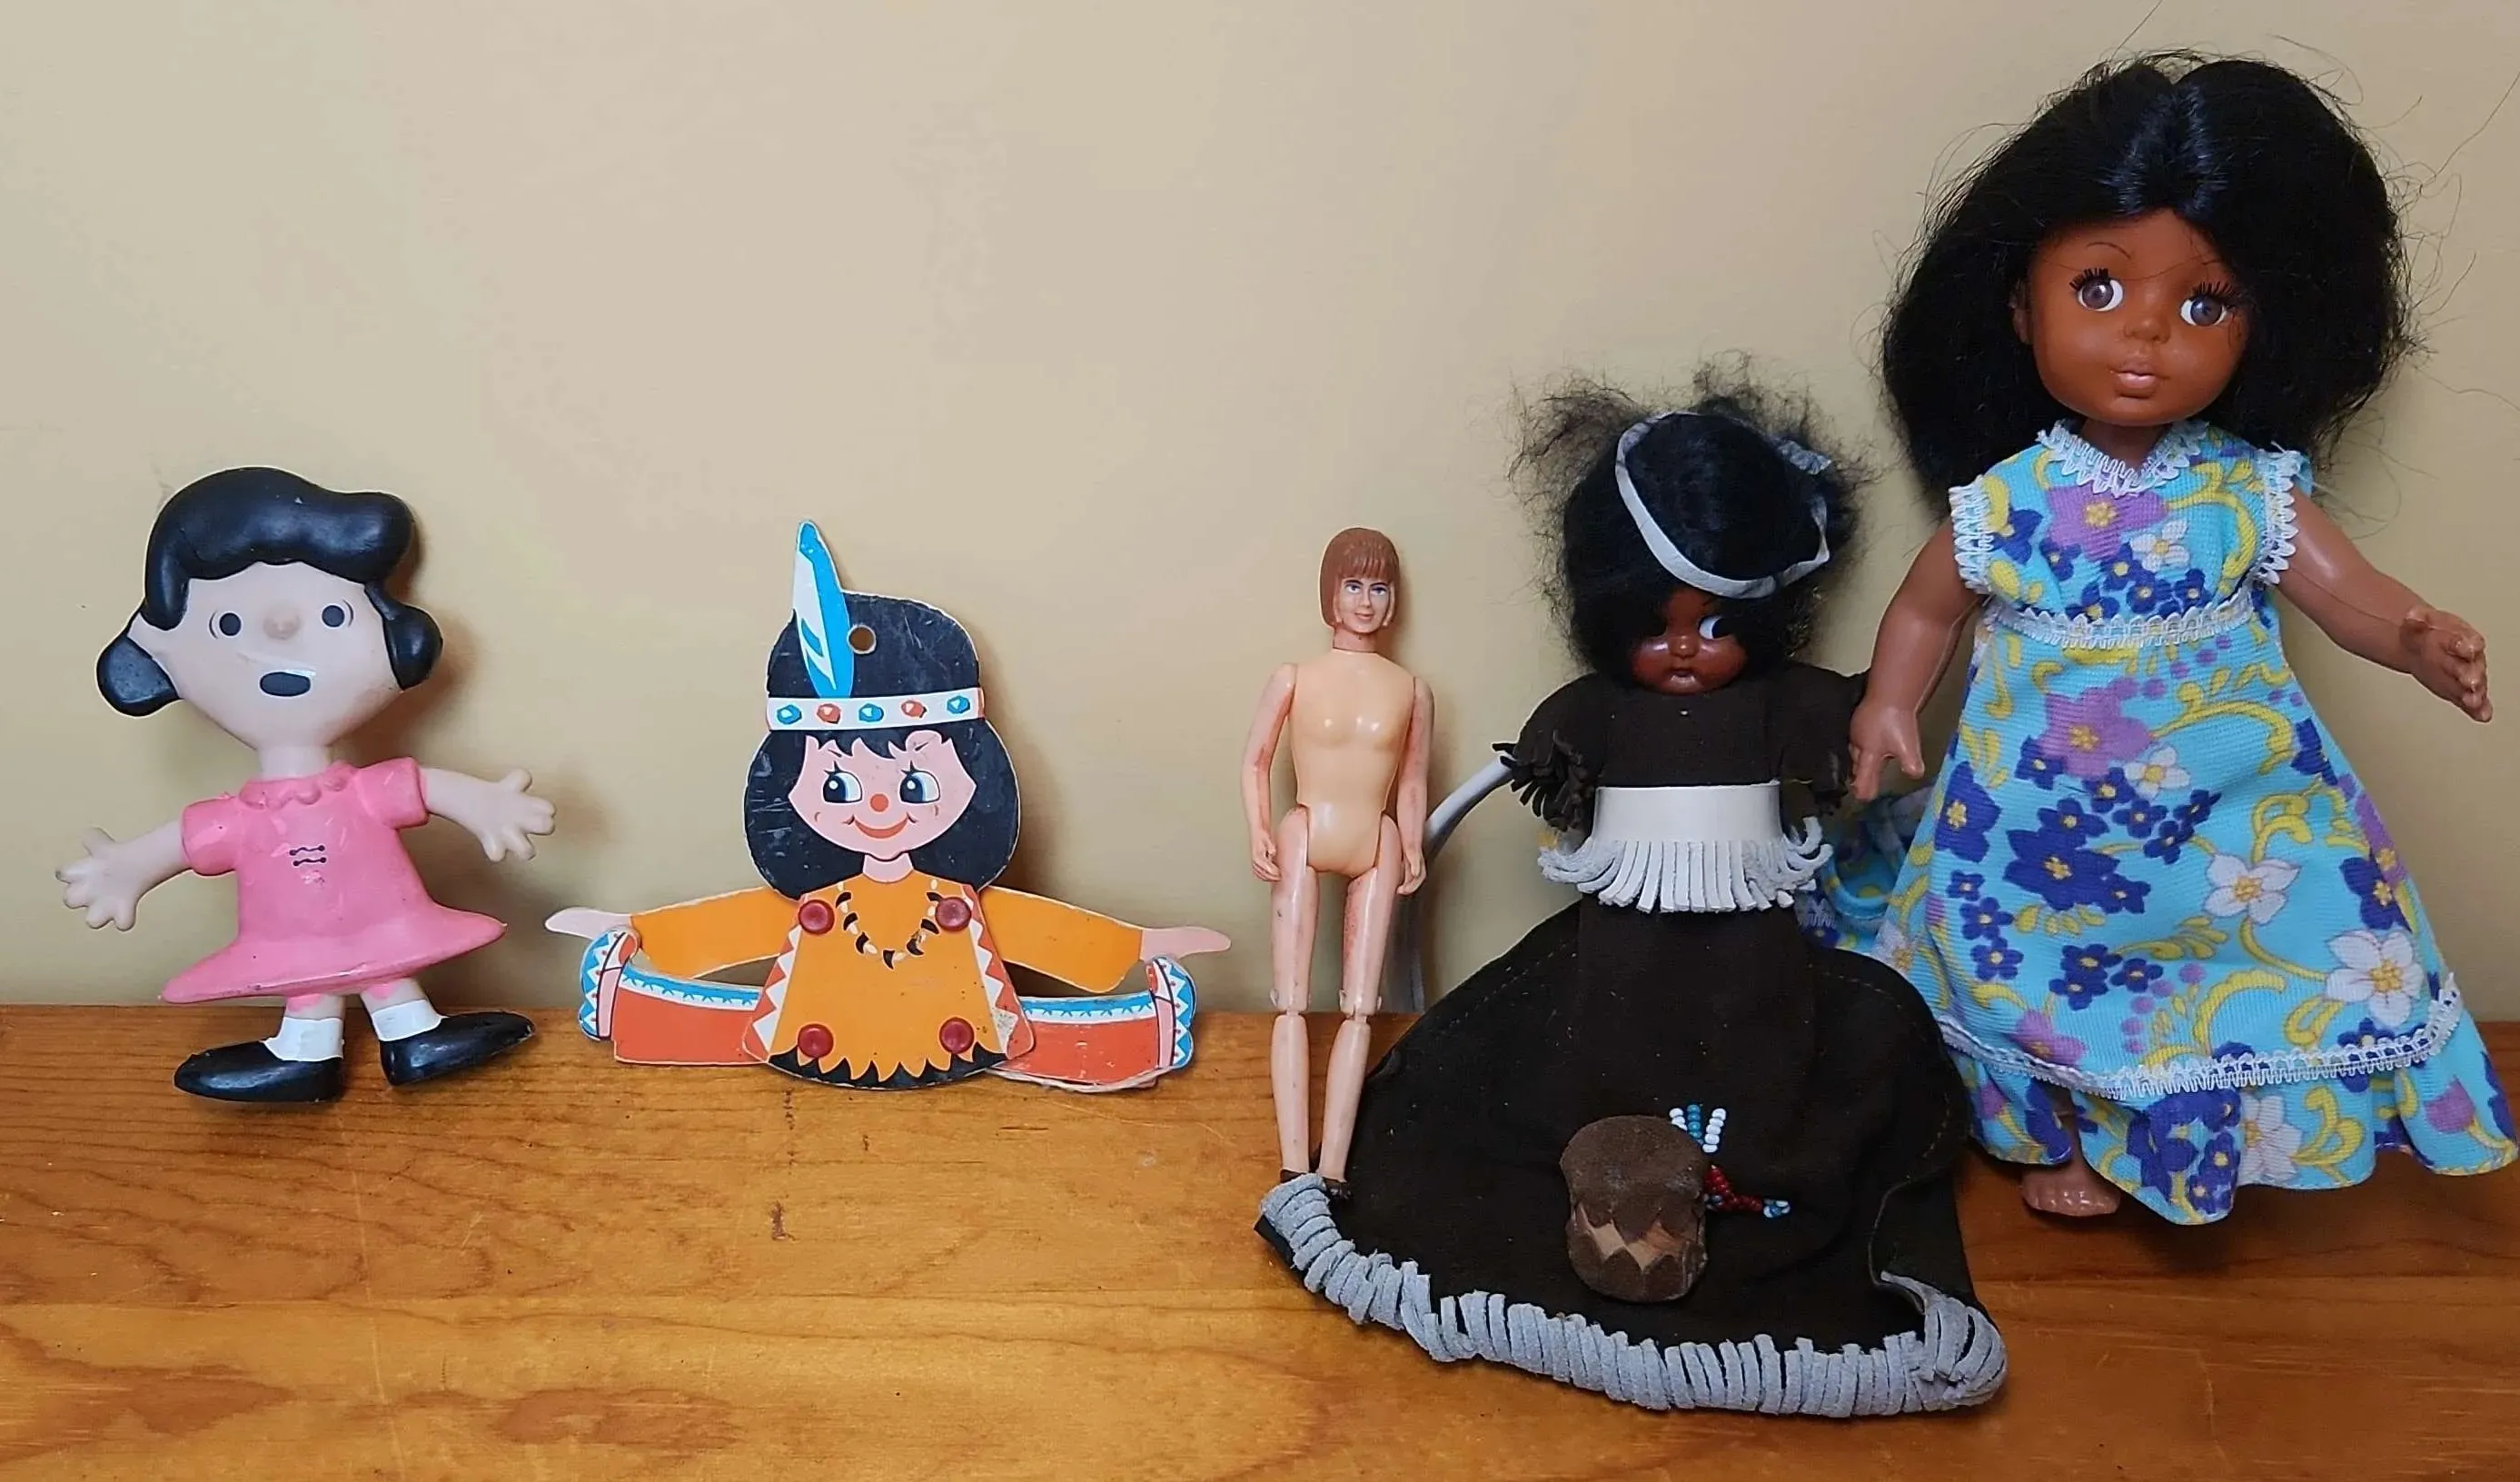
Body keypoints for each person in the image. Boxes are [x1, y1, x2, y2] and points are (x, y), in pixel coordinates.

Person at [1827, 55, 2512, 1221]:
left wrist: (2409, 635)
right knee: (2034, 972)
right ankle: (2059, 1132)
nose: (2144, 333)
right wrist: (1888, 702)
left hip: (2219, 815)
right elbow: (1927, 607)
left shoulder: (2247, 489)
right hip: (2037, 821)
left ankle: (2212, 1134)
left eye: (2205, 303)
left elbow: (2342, 591)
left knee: (2223, 970)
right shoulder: (2007, 500)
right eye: (2096, 287)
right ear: (2019, 308)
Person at [1256, 370, 2004, 1417]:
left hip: (1749, 940)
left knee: (1774, 1036)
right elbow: (1538, 761)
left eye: (1716, 622)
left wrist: (1888, 703)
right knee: (1587, 1040)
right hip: (1619, 942)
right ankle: (1613, 1165)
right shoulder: (1598, 710)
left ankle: (1722, 1163)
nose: (1685, 648)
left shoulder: (1777, 703)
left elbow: (1869, 700)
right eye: (1654, 625)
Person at [551, 522, 1227, 1092]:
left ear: (976, 779)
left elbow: (1032, 928)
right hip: (815, 1038)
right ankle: (633, 1006)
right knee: (728, 1028)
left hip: (958, 1036)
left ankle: (1139, 1033)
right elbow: (740, 924)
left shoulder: (959, 902)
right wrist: (637, 929)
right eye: (838, 788)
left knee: (1032, 1039)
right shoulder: (814, 902)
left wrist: (1135, 945)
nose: (878, 807)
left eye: (915, 785)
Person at [60, 468, 551, 1102]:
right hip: (288, 939)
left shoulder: (361, 792)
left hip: (383, 920)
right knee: (309, 982)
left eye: (332, 614)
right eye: (228, 625)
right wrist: (125, 870)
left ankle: (413, 1034)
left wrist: (486, 805)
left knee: (385, 968)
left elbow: (424, 789)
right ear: (158, 660)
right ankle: (305, 1053)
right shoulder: (243, 817)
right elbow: (182, 843)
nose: (282, 632)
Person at [1241, 529, 1432, 1191]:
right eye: (1354, 585)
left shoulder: (1411, 689)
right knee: (1291, 1002)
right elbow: (1256, 760)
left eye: (1379, 587)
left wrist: (1413, 841)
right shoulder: (1295, 677)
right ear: (1331, 593)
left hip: (1375, 839)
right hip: (1306, 828)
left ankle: (1334, 1168)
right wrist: (1258, 828)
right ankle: (1294, 1161)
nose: (1366, 601)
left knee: (1360, 1008)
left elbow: (1412, 778)